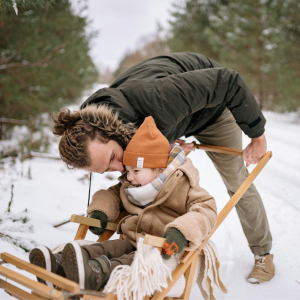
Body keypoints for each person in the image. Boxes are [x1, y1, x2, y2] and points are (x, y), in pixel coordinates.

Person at [52, 52, 274, 283]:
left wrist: (257, 135)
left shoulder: (158, 98)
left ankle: (263, 253)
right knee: (140, 179)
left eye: (113, 158)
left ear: (110, 131)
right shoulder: (91, 126)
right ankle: (131, 246)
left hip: (214, 108)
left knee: (237, 181)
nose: (118, 169)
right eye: (106, 170)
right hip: (170, 118)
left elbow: (229, 82)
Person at [30, 116, 217, 291]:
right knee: (105, 248)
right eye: (127, 170)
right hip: (132, 239)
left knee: (129, 261)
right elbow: (111, 195)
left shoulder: (182, 185)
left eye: (135, 170)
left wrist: (181, 231)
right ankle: (59, 264)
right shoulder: (131, 187)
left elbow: (205, 209)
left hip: (159, 249)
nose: (129, 177)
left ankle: (97, 274)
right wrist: (101, 211)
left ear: (159, 169)